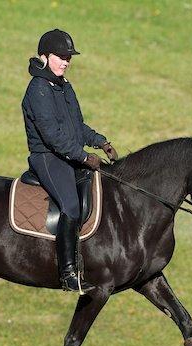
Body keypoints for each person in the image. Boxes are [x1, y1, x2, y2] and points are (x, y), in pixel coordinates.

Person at [21, 29, 118, 293]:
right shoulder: (38, 90)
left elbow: (77, 126)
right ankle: (68, 273)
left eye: (68, 57)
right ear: (44, 56)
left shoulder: (64, 86)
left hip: (68, 153)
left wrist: (101, 141)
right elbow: (52, 136)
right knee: (71, 206)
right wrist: (85, 156)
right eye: (60, 57)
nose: (65, 62)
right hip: (47, 157)